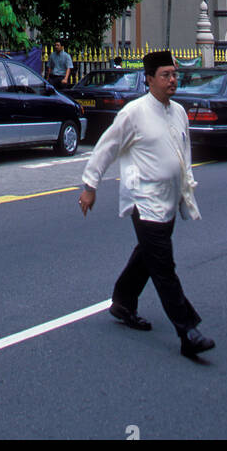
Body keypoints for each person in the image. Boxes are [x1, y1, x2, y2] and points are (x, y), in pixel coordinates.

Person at [78, 48, 215, 360]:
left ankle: (123, 302)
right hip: (143, 199)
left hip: (167, 199)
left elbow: (184, 154)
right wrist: (90, 186)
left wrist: (186, 189)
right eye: (165, 75)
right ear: (149, 79)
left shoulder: (178, 112)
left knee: (148, 255)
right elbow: (105, 149)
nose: (172, 80)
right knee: (164, 265)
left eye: (174, 74)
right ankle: (188, 331)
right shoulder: (133, 113)